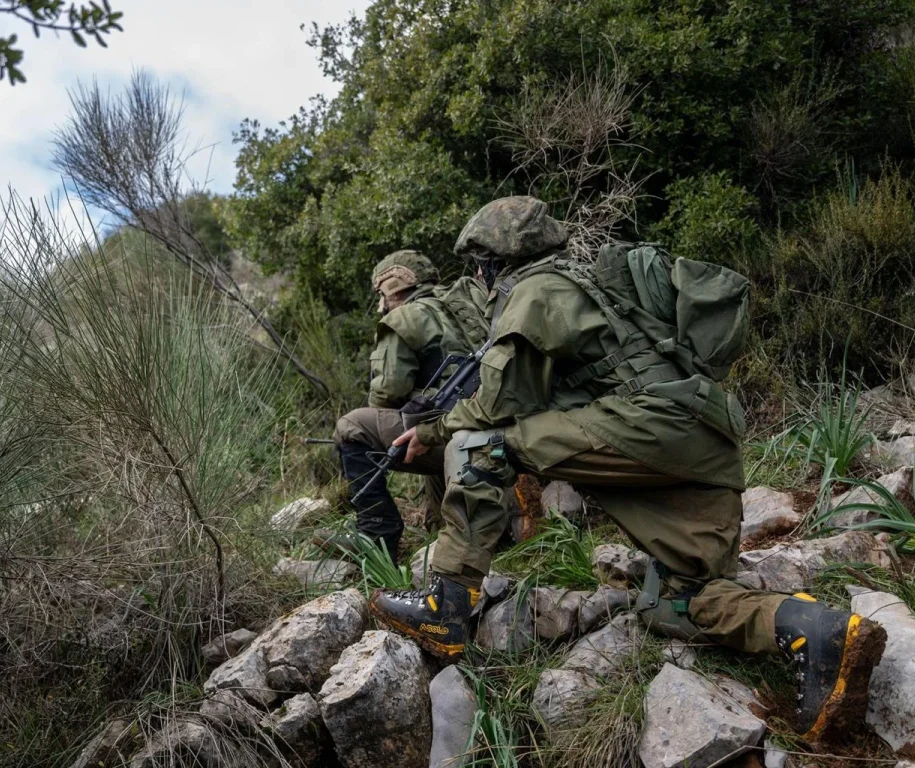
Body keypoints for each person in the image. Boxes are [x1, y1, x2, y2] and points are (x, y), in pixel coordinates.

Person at [369, 196, 886, 743]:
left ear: (495, 262)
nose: (477, 274)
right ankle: (816, 630)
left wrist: (431, 431)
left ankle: (447, 604)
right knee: (677, 604)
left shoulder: (538, 292)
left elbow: (497, 406)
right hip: (706, 449)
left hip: (655, 430)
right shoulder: (596, 283)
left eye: (480, 263)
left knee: (479, 445)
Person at [316, 250, 486, 562]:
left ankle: (376, 534)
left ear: (394, 286)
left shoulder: (403, 319)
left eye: (382, 294)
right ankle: (441, 524)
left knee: (353, 427)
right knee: (428, 410)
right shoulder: (468, 303)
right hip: (494, 427)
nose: (381, 305)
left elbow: (386, 396)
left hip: (457, 433)